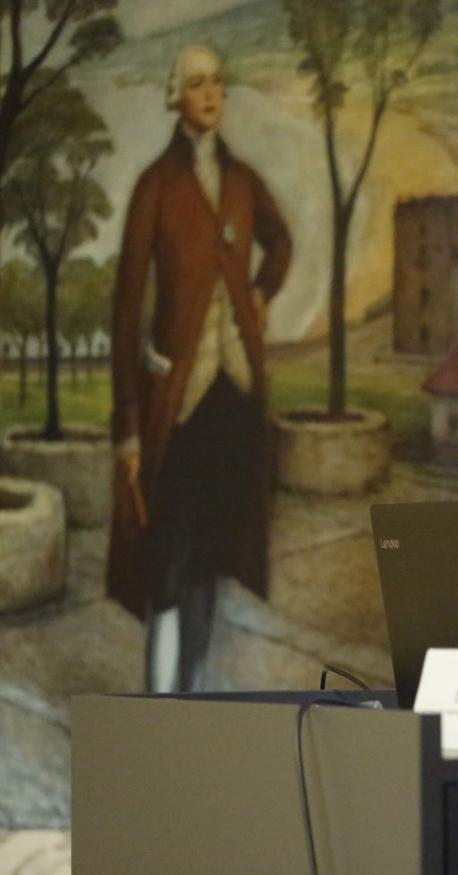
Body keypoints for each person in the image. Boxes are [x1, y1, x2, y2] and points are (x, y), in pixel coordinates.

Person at [106, 44, 292, 693]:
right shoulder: (156, 185)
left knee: (215, 557)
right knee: (168, 567)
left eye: (217, 83)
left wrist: (261, 293)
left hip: (234, 398)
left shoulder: (240, 179)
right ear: (175, 97)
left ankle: (195, 700)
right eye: (197, 84)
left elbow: (281, 241)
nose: (211, 94)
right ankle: (161, 708)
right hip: (177, 404)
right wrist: (128, 427)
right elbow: (126, 308)